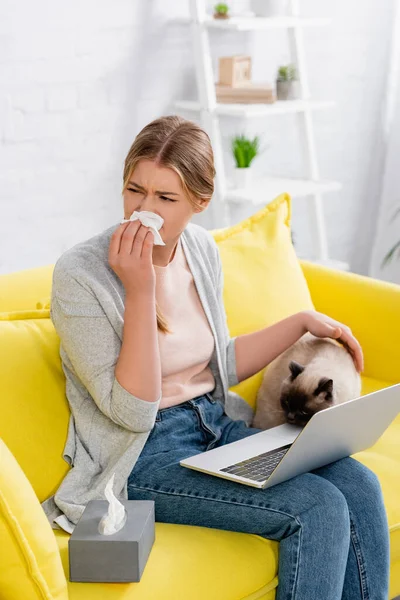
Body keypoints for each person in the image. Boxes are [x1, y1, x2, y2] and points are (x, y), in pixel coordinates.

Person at [43, 115, 390, 599]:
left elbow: (212, 367)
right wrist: (140, 291)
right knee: (318, 508)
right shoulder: (82, 274)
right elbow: (133, 410)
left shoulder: (200, 249)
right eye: (134, 190)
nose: (143, 211)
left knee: (359, 485)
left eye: (165, 199)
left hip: (216, 427)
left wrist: (300, 322)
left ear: (199, 204)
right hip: (144, 455)